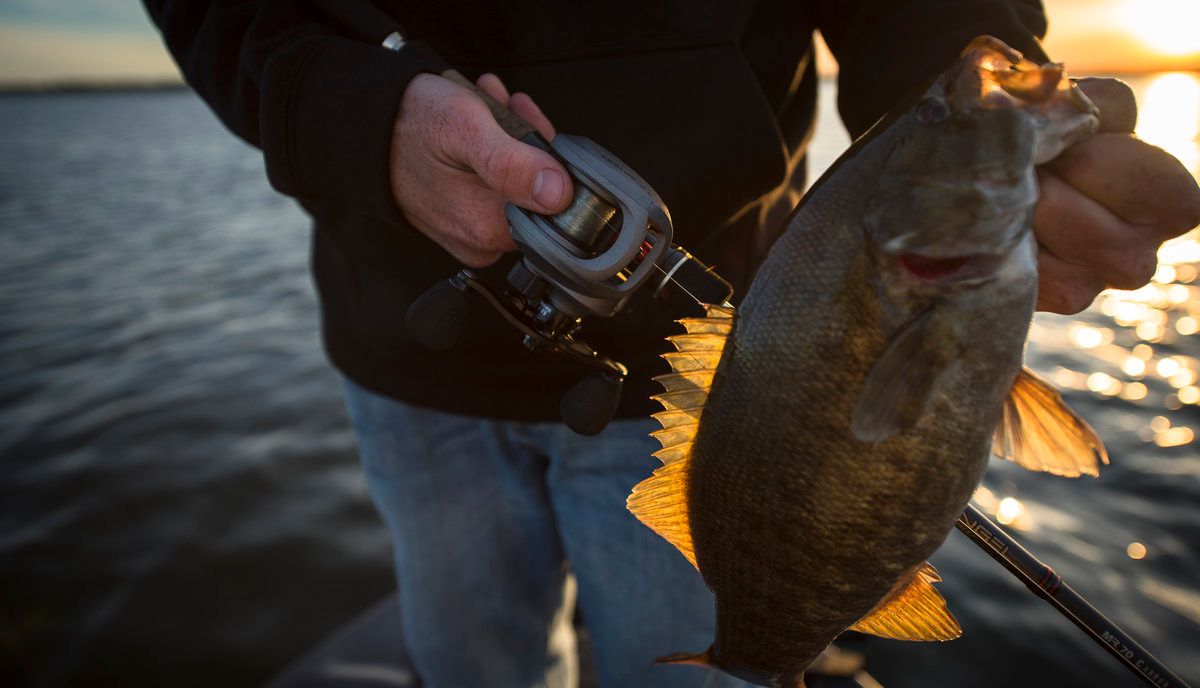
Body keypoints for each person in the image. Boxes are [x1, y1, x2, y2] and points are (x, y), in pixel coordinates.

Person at [143, 2, 1200, 686]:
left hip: (702, 391)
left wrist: (974, 60)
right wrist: (365, 121)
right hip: (409, 358)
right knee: (469, 665)